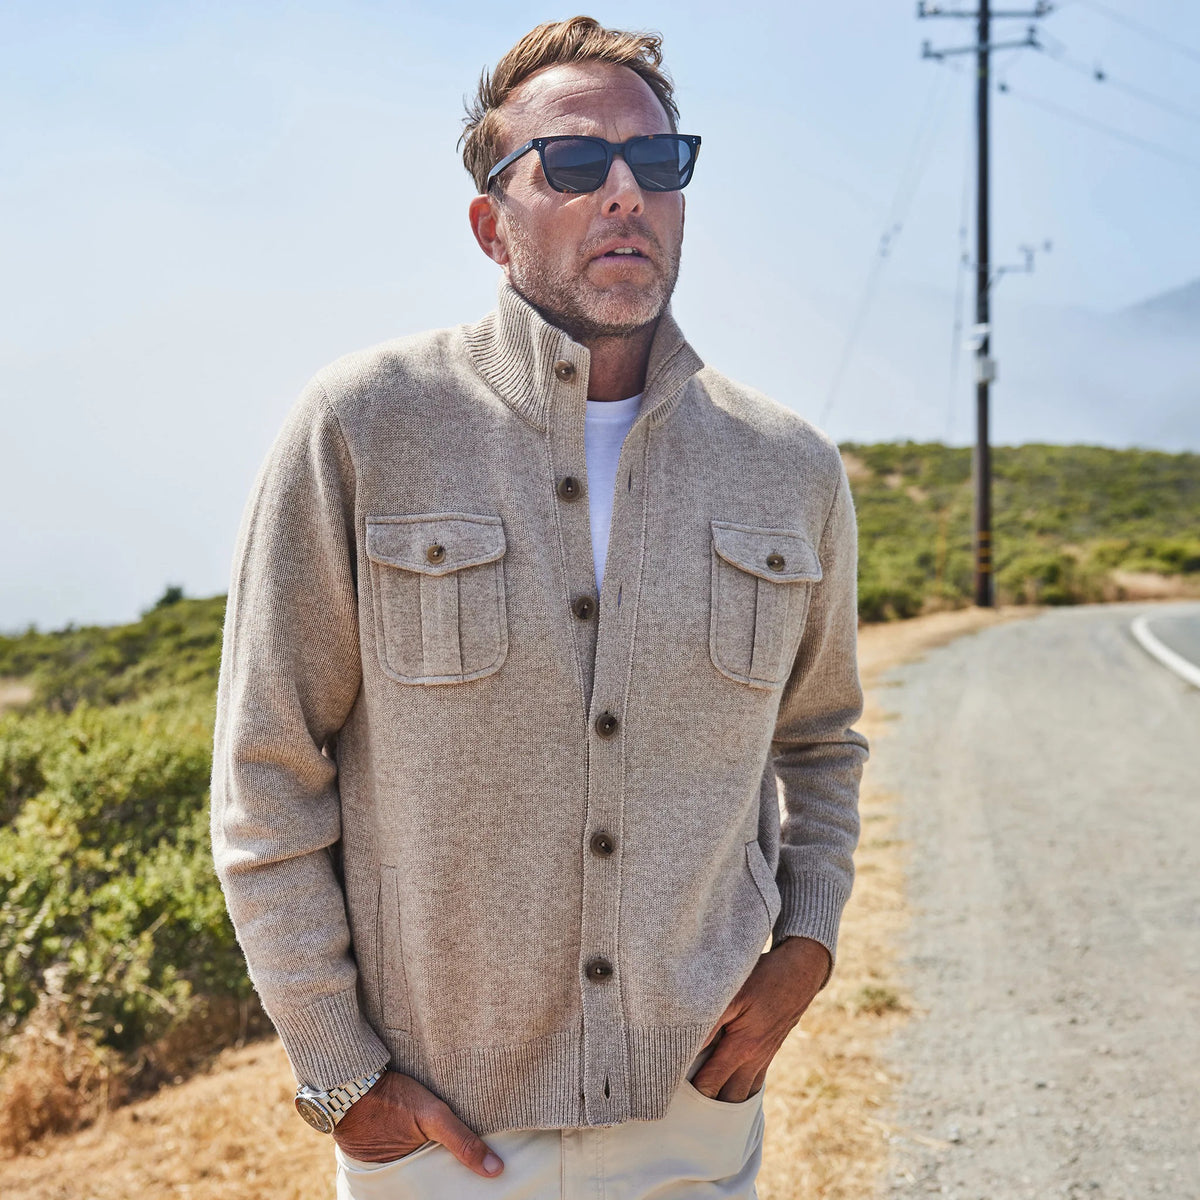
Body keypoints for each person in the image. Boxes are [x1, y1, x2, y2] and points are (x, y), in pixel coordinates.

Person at [209, 14, 869, 1199]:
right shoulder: (362, 427)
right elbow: (266, 767)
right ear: (491, 223)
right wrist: (336, 1069)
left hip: (695, 1118)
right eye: (573, 164)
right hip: (440, 1141)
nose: (625, 191)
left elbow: (821, 741)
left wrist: (806, 950)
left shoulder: (791, 468)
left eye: (656, 164)